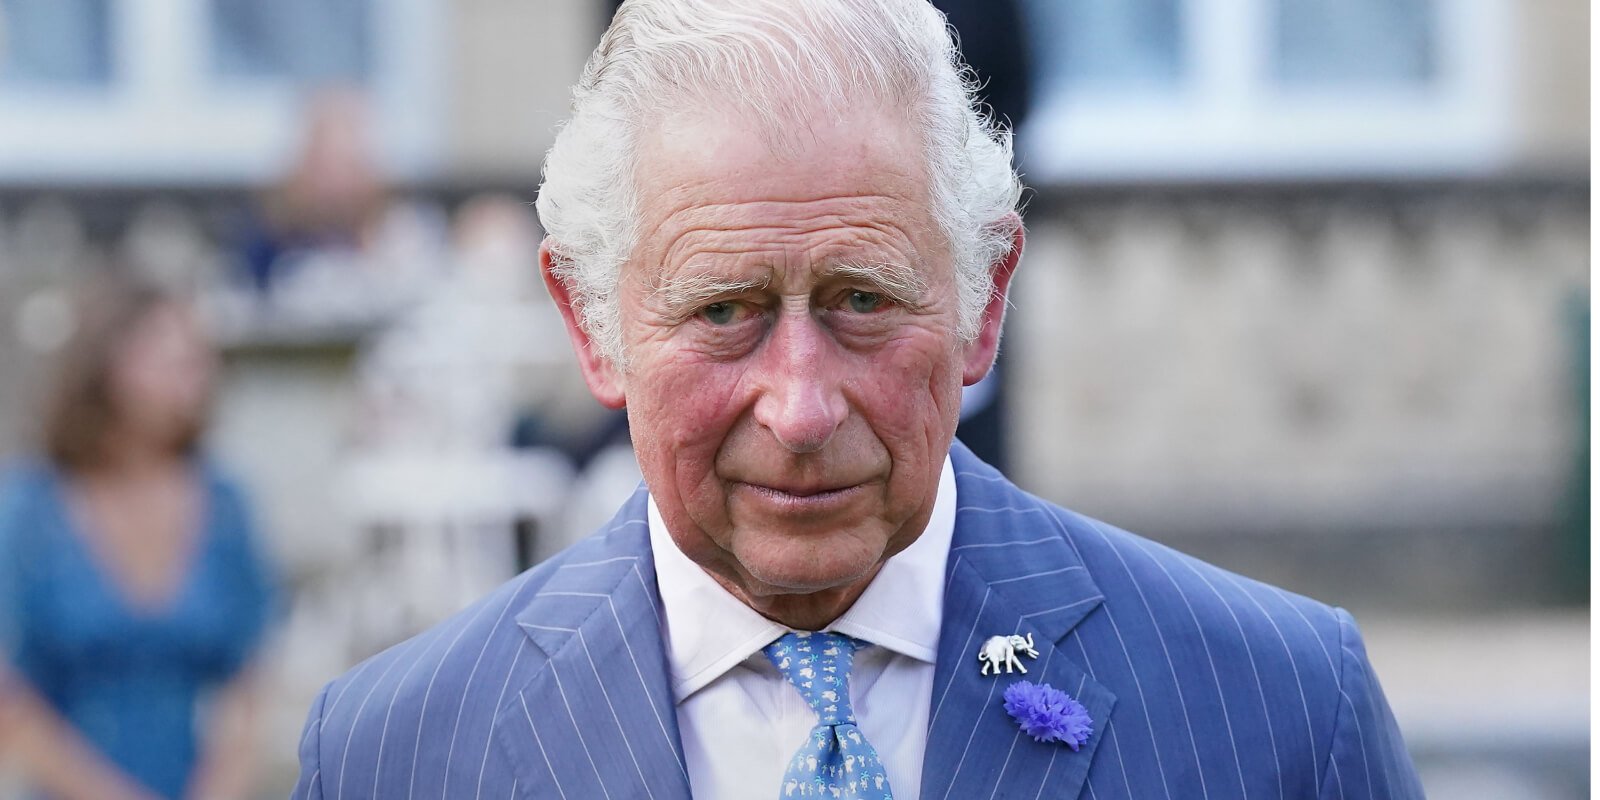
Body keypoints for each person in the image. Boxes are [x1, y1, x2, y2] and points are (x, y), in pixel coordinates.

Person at [294, 1, 1423, 798]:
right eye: (725, 309)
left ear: (983, 303)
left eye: (862, 299)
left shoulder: (1277, 707)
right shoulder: (393, 753)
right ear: (593, 321)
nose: (799, 404)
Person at [0, 274, 278, 800]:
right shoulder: (30, 507)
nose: (189, 378)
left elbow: (251, 680)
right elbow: (10, 697)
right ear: (102, 367)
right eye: (167, 359)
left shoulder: (225, 503)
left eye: (196, 361)